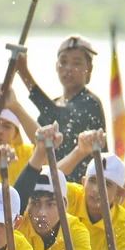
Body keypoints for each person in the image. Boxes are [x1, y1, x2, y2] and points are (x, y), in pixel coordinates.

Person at [15, 34, 108, 184]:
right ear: (56, 66)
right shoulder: (53, 105)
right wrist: (14, 107)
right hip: (57, 188)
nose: (68, 69)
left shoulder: (91, 104)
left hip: (87, 191)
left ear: (89, 69)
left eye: (77, 63)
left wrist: (24, 73)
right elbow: (38, 138)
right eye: (63, 62)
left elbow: (60, 115)